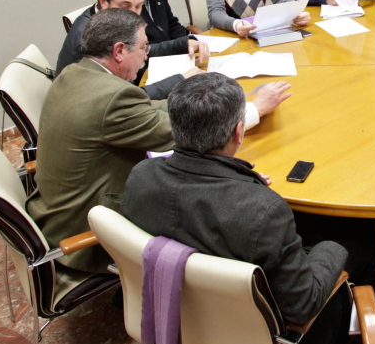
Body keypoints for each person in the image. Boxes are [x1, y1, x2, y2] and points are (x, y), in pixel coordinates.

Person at [30, 9, 293, 274]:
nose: (146, 55)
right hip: (88, 232)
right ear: (119, 51)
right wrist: (253, 109)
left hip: (57, 211)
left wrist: (214, 104)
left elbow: (146, 108)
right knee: (218, 204)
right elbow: (184, 134)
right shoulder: (112, 99)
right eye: (143, 48)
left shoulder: (76, 74)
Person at [123, 73, 360, 344]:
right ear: (239, 132)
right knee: (357, 246)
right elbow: (302, 305)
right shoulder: (263, 209)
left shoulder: (140, 176)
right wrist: (333, 247)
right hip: (251, 330)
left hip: (168, 314)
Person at [55, 0, 207, 99]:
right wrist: (180, 80)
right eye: (125, 6)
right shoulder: (88, 42)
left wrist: (182, 44)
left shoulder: (112, 22)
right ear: (103, 2)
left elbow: (140, 51)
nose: (134, 14)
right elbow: (126, 98)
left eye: (139, 6)